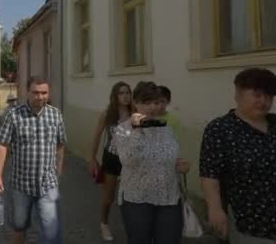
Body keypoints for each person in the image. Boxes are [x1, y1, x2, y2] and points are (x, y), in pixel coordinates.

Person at [200, 67, 276, 243]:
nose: (263, 101)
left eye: (269, 96)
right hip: (249, 222)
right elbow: (209, 175)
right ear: (238, 94)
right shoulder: (220, 129)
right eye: (257, 95)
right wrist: (215, 209)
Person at [0, 76, 67, 244]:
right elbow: (2, 145)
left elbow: (60, 144)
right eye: (35, 93)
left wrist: (59, 169)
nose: (40, 97)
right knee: (19, 225)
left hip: (48, 184)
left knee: (51, 231)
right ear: (27, 92)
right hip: (21, 185)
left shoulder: (56, 115)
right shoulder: (14, 115)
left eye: (44, 93)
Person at [114, 81, 190, 244]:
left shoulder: (167, 128)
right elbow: (128, 160)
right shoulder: (123, 129)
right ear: (135, 103)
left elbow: (170, 157)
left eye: (155, 102)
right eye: (146, 102)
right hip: (137, 200)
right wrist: (136, 130)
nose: (152, 107)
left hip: (169, 198)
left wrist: (180, 165)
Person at [87, 81, 133, 241]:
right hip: (112, 159)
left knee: (131, 196)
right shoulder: (108, 114)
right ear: (115, 96)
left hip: (131, 160)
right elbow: (97, 136)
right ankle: (104, 224)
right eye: (122, 93)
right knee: (108, 197)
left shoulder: (136, 113)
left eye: (128, 92)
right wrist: (92, 158)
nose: (126, 96)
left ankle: (134, 226)